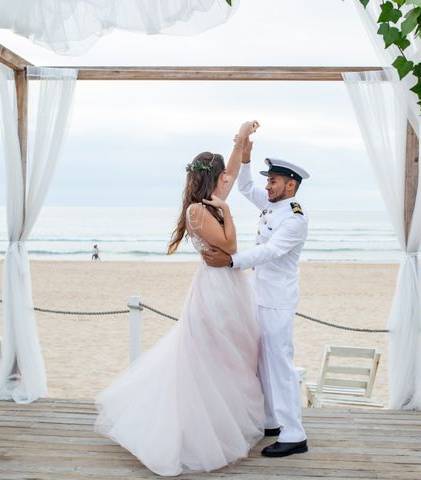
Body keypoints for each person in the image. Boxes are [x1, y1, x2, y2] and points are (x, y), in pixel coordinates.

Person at [95, 120, 264, 476]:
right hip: (214, 290)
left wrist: (241, 137)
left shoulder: (212, 200)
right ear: (211, 178)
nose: (227, 181)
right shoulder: (198, 211)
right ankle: (196, 431)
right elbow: (230, 245)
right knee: (210, 358)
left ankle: (223, 422)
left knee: (232, 355)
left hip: (229, 285)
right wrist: (230, 213)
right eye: (222, 177)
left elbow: (231, 171)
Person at [202, 147, 310, 458]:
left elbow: (270, 252)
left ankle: (294, 434)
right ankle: (272, 421)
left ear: (290, 185)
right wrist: (246, 159)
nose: (267, 186)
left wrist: (231, 261)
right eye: (269, 180)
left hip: (277, 301)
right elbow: (246, 187)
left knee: (280, 366)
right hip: (259, 295)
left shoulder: (294, 219)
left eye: (273, 181)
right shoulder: (273, 204)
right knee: (262, 362)